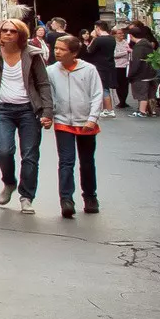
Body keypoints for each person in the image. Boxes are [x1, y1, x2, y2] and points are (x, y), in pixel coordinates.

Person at [0, 18, 54, 214]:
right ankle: (9, 182)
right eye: (5, 30)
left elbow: (43, 83)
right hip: (2, 110)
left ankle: (26, 196)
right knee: (4, 150)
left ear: (21, 34)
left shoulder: (32, 54)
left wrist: (47, 111)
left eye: (13, 31)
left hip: (29, 110)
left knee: (29, 155)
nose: (8, 34)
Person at [46, 34, 103, 218]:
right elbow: (50, 96)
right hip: (63, 122)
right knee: (66, 161)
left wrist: (92, 118)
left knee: (86, 162)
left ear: (74, 53)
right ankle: (66, 199)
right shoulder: (52, 71)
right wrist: (48, 115)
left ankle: (90, 196)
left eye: (62, 49)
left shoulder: (89, 70)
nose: (57, 52)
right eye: (56, 48)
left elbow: (97, 95)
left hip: (86, 121)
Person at [84, 21, 120, 118]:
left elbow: (89, 50)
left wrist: (94, 38)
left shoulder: (98, 40)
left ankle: (109, 110)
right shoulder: (112, 39)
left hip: (100, 66)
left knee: (103, 88)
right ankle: (106, 109)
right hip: (110, 65)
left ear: (97, 28)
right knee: (106, 87)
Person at [127, 22, 158, 116]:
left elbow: (136, 62)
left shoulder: (139, 47)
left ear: (131, 36)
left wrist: (131, 74)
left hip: (141, 74)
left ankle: (142, 112)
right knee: (150, 93)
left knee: (142, 94)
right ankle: (152, 111)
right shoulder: (148, 44)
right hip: (150, 72)